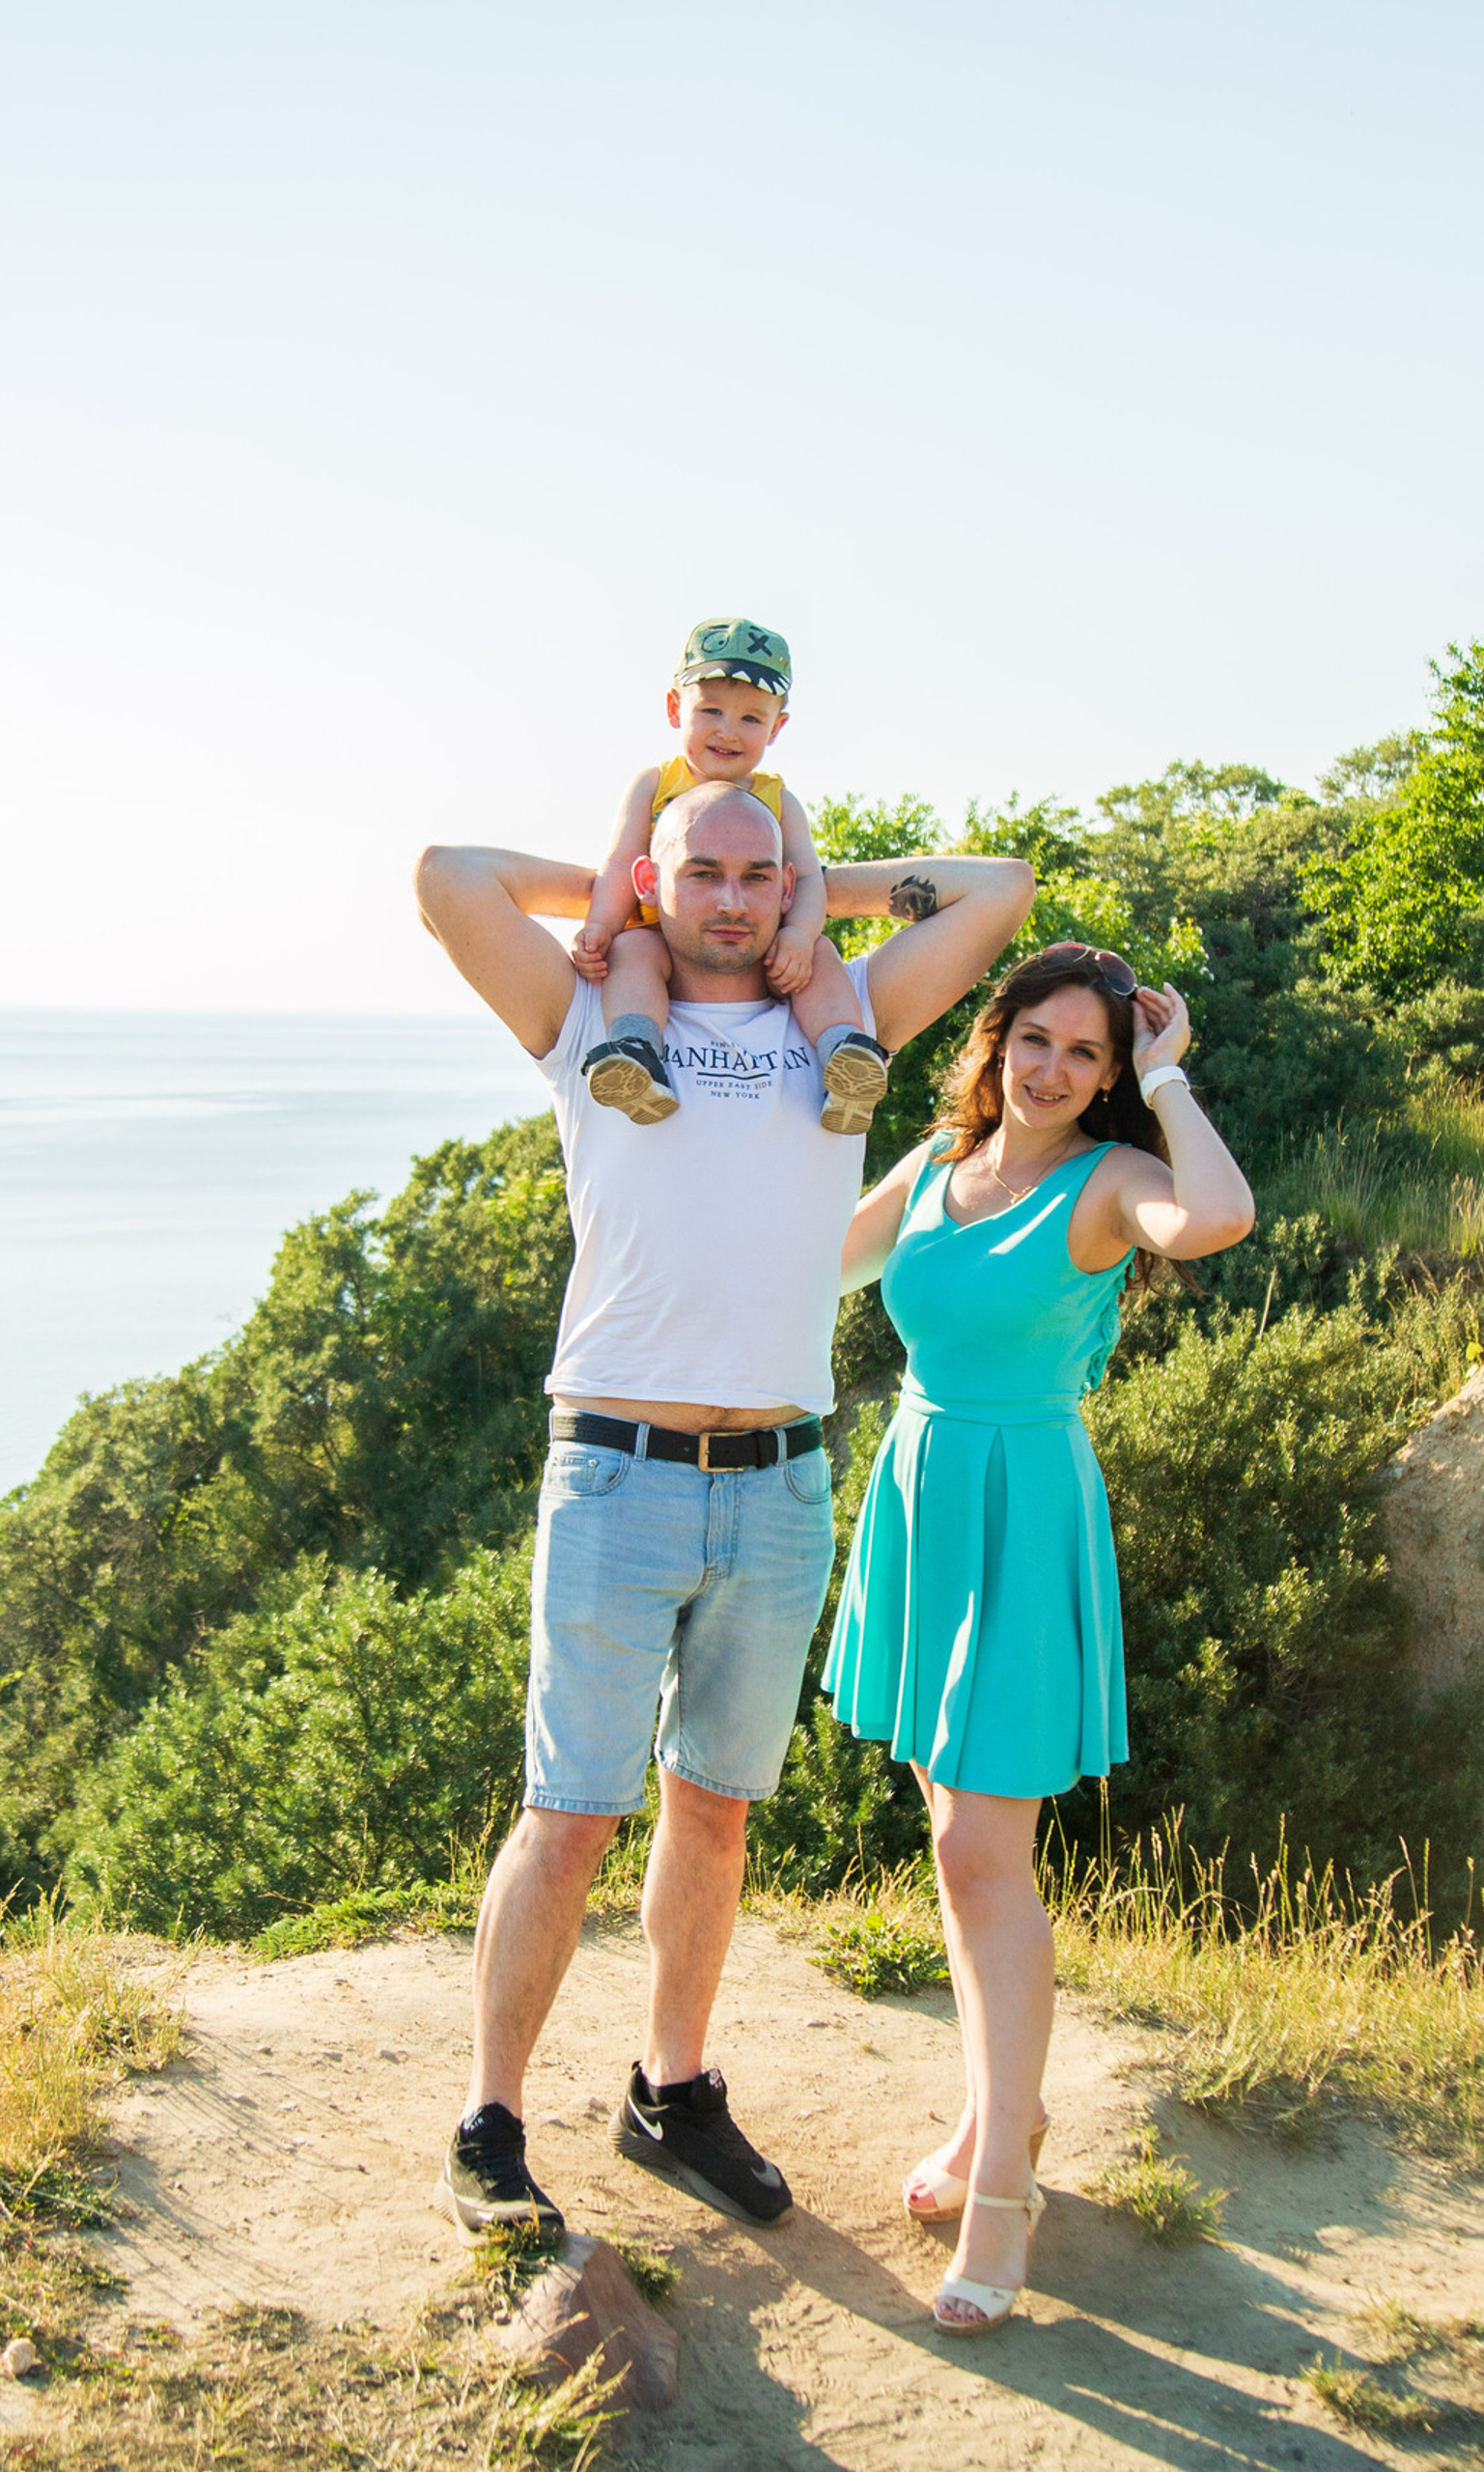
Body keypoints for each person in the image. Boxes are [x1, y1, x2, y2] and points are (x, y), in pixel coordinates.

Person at [413, 790, 1032, 2241]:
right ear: (655, 874)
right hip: (616, 1473)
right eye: (708, 871)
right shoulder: (588, 1023)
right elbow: (446, 877)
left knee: (717, 1813)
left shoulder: (847, 1012)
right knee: (566, 1819)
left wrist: (819, 892)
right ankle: (490, 2124)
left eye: (762, 875)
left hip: (779, 1482)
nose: (737, 897)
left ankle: (668, 2093)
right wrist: (620, 894)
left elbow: (997, 890)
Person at [826, 942, 1254, 2334]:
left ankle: (1003, 2179)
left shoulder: (1107, 1187)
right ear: (998, 1038)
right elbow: (815, 1262)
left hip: (1023, 1506)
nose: (1057, 1071)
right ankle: (990, 2115)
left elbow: (1220, 1216)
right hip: (923, 1491)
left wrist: (1175, 1075)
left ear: (1113, 1076)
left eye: (1092, 1056)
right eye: (1040, 1041)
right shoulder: (937, 1172)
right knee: (953, 1837)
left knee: (975, 1850)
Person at [569, 618, 890, 1137]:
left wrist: (799, 935)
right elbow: (620, 863)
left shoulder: (779, 800)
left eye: (750, 718)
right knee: (631, 954)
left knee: (821, 959)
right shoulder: (654, 784)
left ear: (776, 728)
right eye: (711, 711)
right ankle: (636, 1054)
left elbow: (807, 881)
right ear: (676, 708)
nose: (727, 730)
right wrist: (601, 926)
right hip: (665, 935)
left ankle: (845, 1057)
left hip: (757, 944)